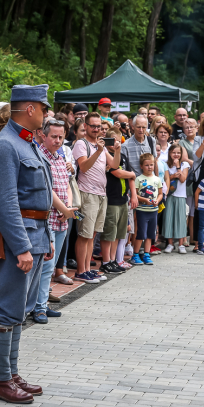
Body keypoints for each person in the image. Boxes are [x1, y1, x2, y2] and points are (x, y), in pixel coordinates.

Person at [0, 84, 53, 403]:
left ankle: (10, 373)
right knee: (7, 308)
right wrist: (22, 247)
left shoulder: (27, 142)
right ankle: (1, 380)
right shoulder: (6, 146)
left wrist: (44, 240)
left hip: (35, 234)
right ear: (29, 109)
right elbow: (4, 201)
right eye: (43, 107)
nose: (46, 113)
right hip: (19, 239)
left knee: (19, 311)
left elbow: (39, 196)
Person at [32, 118, 74, 323]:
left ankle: (42, 304)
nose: (58, 140)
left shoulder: (60, 156)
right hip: (47, 218)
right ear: (43, 135)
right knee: (44, 266)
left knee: (51, 265)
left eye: (61, 136)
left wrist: (68, 209)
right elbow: (47, 189)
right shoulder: (40, 156)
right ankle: (37, 307)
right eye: (54, 136)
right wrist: (63, 209)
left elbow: (66, 185)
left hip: (62, 217)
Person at [71, 112, 119, 284]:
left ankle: (88, 270)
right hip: (87, 194)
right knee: (84, 234)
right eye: (93, 126)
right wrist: (98, 151)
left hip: (101, 194)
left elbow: (113, 165)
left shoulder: (101, 145)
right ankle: (80, 271)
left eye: (99, 126)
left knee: (92, 234)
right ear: (85, 125)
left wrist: (117, 150)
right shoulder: (81, 144)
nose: (97, 129)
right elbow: (83, 167)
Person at [99, 132, 136, 274]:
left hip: (122, 199)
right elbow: (118, 173)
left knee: (118, 234)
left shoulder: (122, 156)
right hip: (111, 199)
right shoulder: (105, 155)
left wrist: (133, 195)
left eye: (118, 139)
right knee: (109, 232)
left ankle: (113, 260)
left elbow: (129, 176)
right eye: (112, 139)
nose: (116, 142)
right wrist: (131, 174)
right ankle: (106, 261)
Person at [131, 153, 165, 264]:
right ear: (141, 166)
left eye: (151, 165)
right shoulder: (139, 179)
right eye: (146, 165)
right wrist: (144, 200)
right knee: (141, 234)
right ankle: (135, 255)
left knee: (150, 234)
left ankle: (146, 254)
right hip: (142, 211)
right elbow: (135, 195)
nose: (149, 167)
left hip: (153, 211)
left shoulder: (157, 179)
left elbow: (160, 194)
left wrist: (157, 200)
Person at [162, 144, 191, 253]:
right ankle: (170, 244)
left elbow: (183, 179)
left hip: (180, 195)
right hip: (170, 194)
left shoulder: (185, 164)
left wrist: (178, 166)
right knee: (168, 219)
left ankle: (181, 244)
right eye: (174, 152)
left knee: (181, 219)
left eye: (178, 153)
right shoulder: (166, 164)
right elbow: (165, 179)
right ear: (170, 153)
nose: (176, 155)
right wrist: (173, 176)